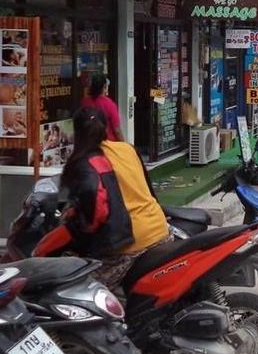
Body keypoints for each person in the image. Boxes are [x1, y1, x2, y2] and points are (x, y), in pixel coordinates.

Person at [35, 107, 170, 288]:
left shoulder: (86, 162)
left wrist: (77, 226)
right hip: (160, 229)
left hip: (130, 243)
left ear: (76, 132)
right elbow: (146, 188)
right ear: (106, 127)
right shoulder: (127, 149)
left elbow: (95, 215)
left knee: (73, 289)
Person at [81, 73, 124, 141]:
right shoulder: (110, 104)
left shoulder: (85, 102)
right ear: (104, 87)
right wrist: (124, 144)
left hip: (90, 142)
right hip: (108, 143)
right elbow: (117, 130)